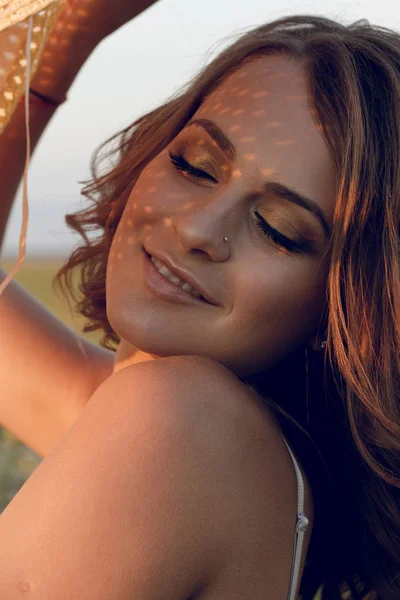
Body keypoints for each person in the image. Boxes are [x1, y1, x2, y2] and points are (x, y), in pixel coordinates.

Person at [0, 1, 398, 598]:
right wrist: (55, 56)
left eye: (278, 228)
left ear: (345, 305)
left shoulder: (176, 423)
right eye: (195, 165)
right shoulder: (224, 454)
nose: (197, 229)